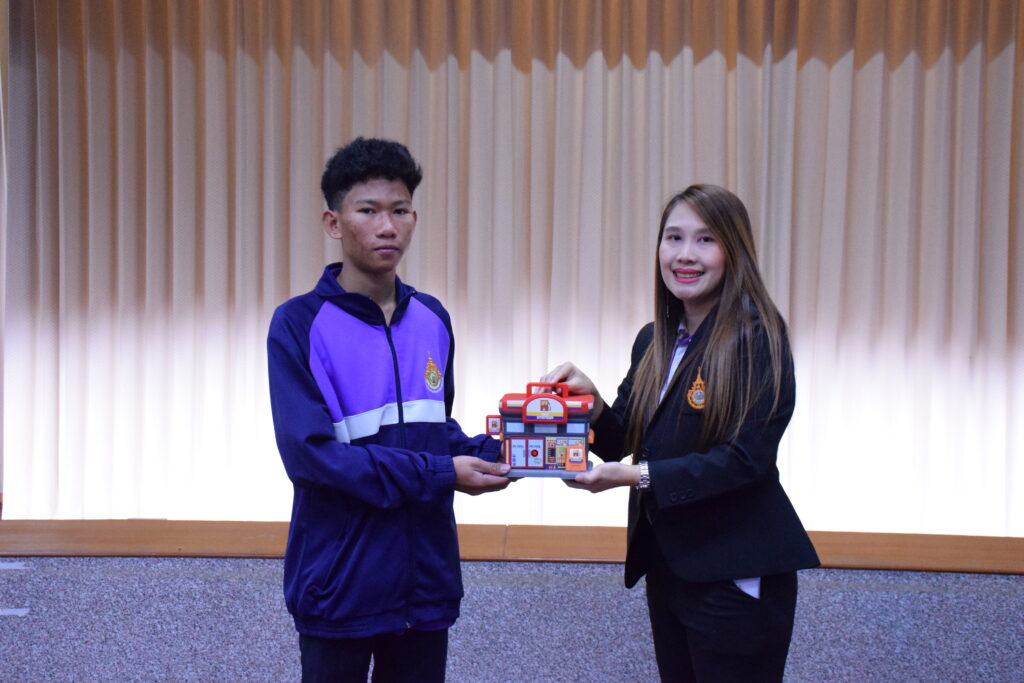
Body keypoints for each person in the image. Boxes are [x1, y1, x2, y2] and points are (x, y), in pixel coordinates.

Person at [542, 184, 819, 682]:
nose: (685, 255)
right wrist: (593, 403)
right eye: (674, 238)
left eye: (705, 240)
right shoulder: (654, 340)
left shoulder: (758, 338)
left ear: (734, 251)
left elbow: (743, 461)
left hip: (735, 574)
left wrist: (634, 477)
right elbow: (623, 438)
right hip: (670, 568)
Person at [267, 137, 511, 682]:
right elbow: (313, 458)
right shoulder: (298, 324)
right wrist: (442, 473)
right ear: (334, 223)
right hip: (338, 588)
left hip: (425, 588)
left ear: (414, 219)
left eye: (400, 211)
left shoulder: (432, 317)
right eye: (369, 211)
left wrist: (518, 445)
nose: (387, 227)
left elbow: (435, 432)